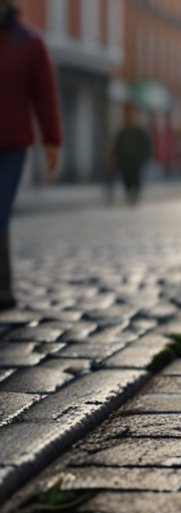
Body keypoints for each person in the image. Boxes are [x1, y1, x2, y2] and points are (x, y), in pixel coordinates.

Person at [0, 0, 61, 309]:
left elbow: (44, 95)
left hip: (12, 143)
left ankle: (3, 289)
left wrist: (51, 140)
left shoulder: (29, 42)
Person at [113, 103, 151, 206]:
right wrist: (115, 156)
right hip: (125, 162)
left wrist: (143, 158)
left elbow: (147, 146)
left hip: (136, 162)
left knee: (136, 180)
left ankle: (134, 196)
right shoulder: (123, 131)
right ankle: (129, 194)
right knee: (127, 180)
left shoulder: (140, 132)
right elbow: (117, 145)